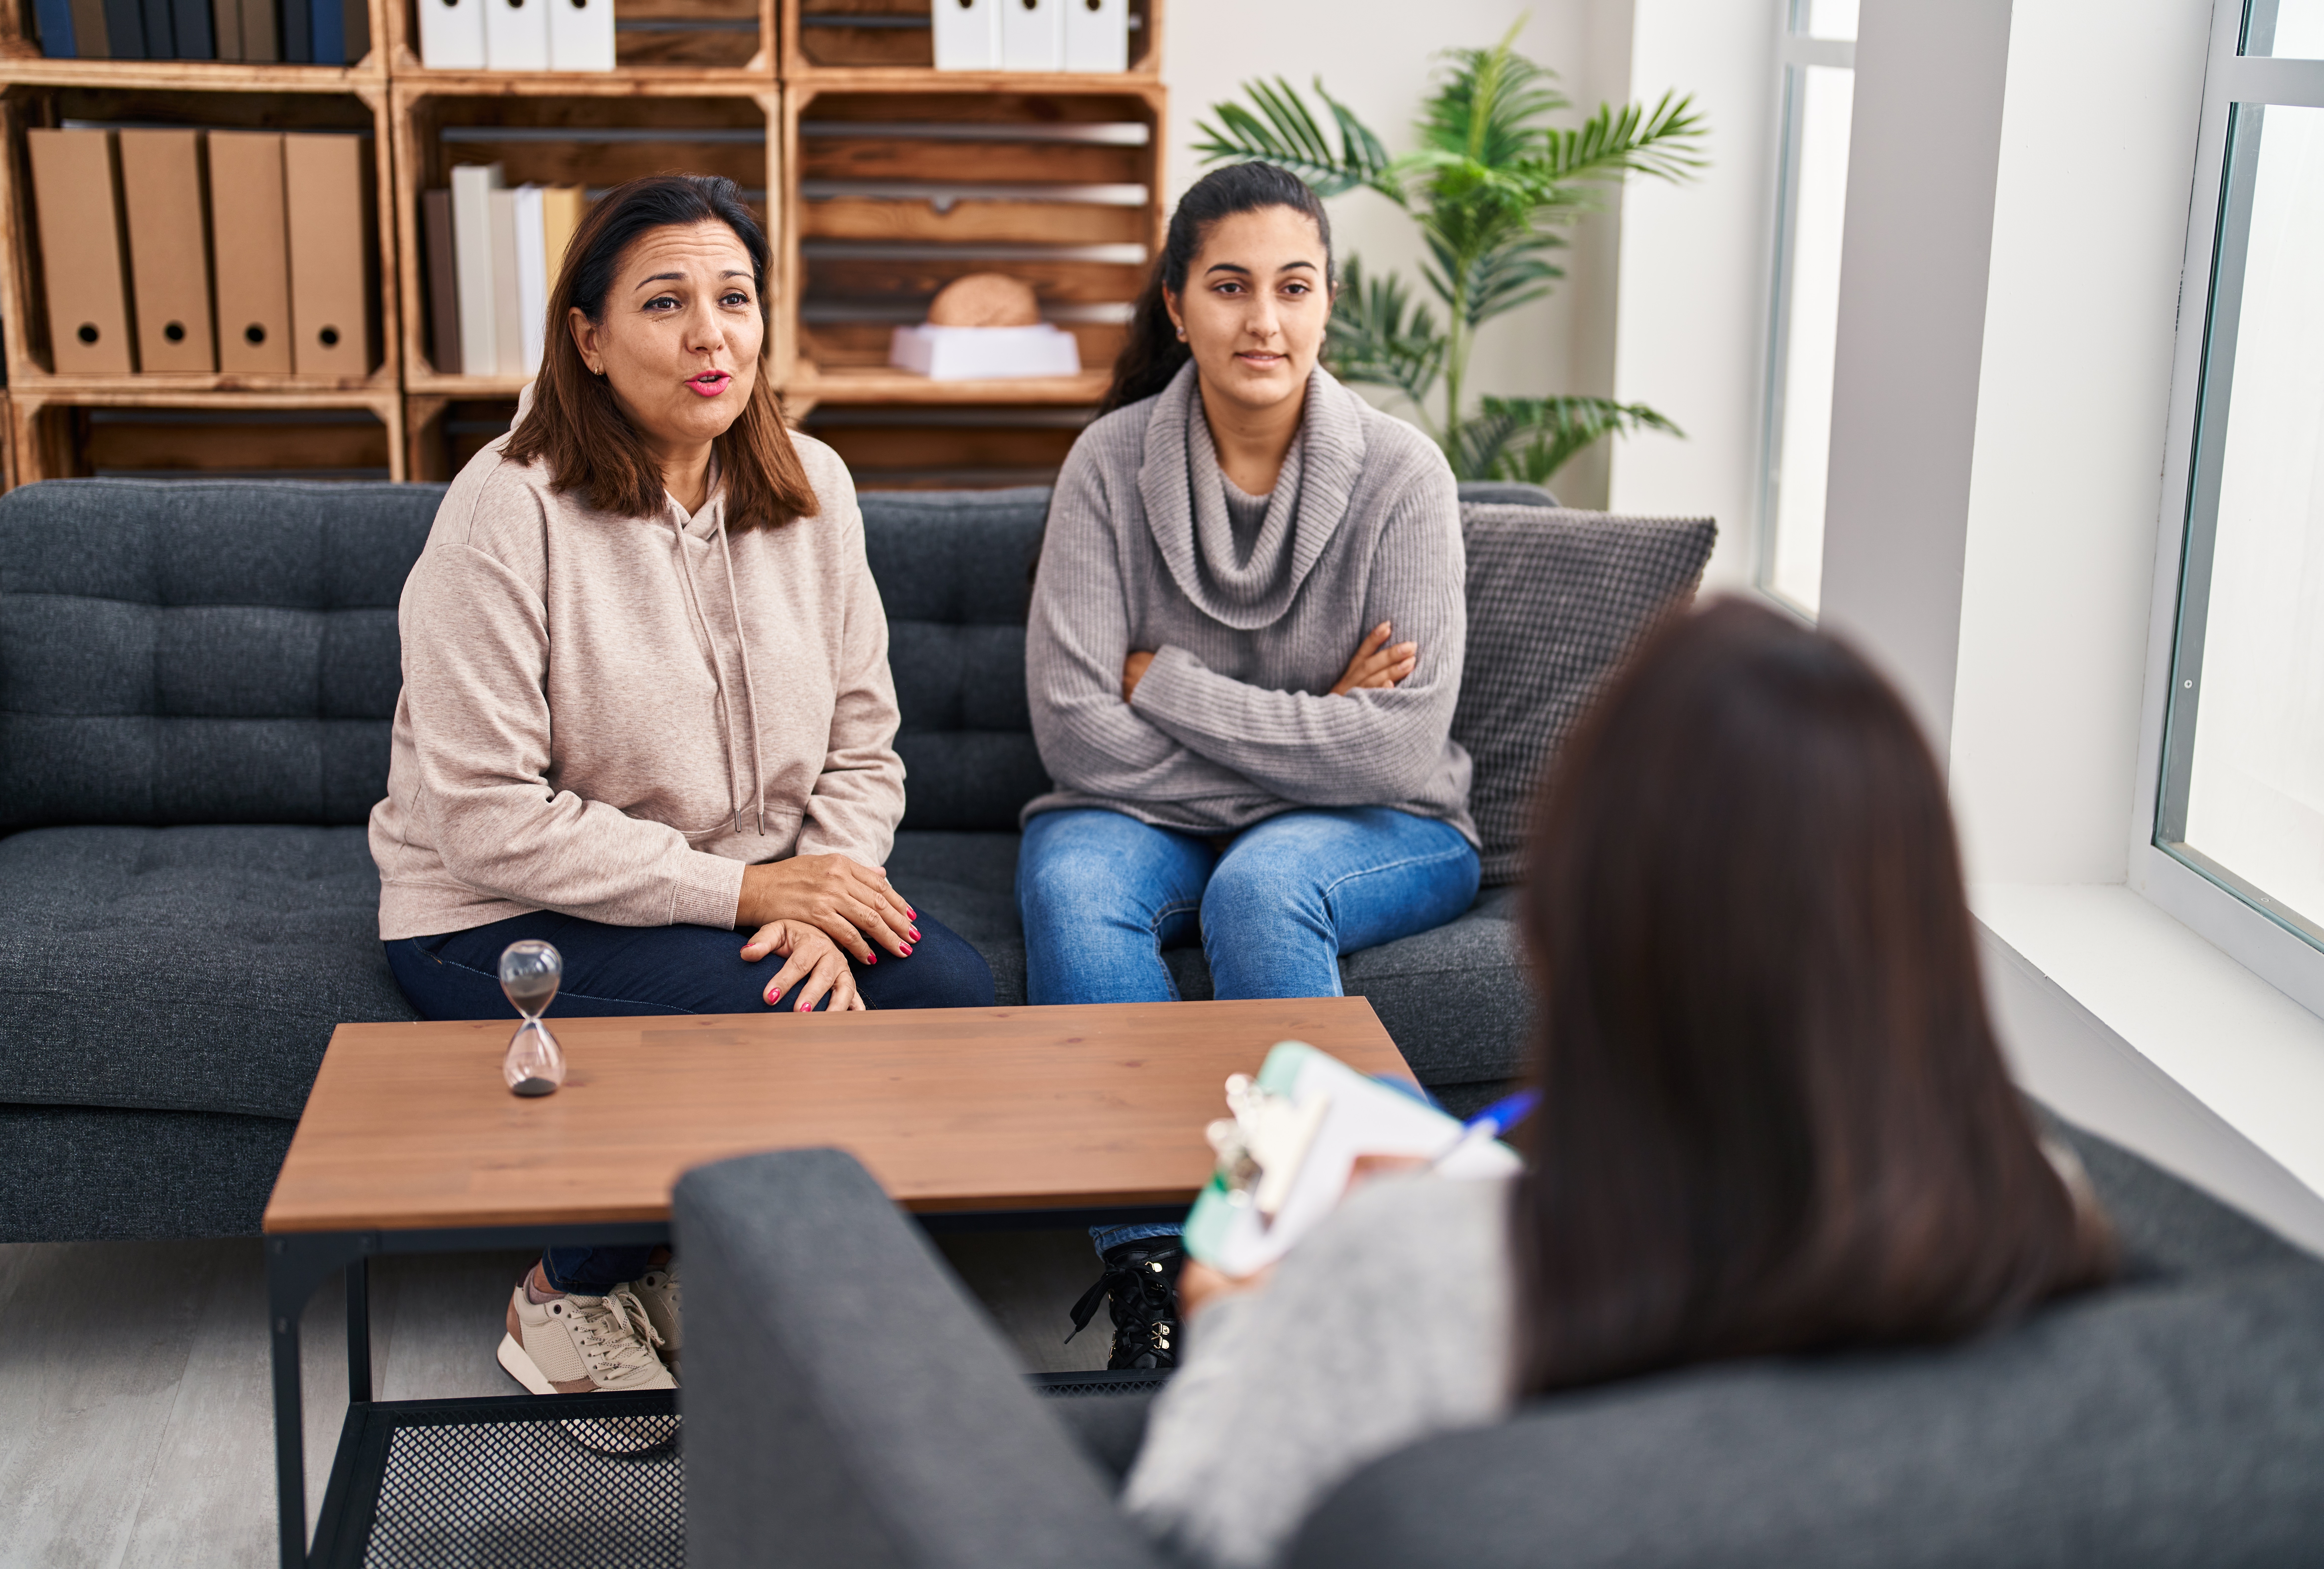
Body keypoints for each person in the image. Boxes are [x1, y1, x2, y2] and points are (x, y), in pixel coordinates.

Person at [1118, 599, 2118, 1569]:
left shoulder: (1410, 1273)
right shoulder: (2038, 1216)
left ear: (1570, 925)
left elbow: (1186, 1523)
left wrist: (1230, 1312)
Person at [369, 174, 996, 1402]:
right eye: (667, 303)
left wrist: (824, 893)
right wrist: (755, 896)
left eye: (736, 298)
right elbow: (487, 817)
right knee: (777, 1016)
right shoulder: (507, 507)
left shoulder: (814, 487)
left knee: (948, 987)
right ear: (589, 340)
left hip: (748, 890)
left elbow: (867, 748)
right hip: (495, 912)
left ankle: (685, 1254)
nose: (714, 334)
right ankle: (561, 1295)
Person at [1025, 161, 1479, 1369]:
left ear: (1330, 300)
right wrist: (1311, 729)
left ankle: (1324, 1272)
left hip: (1394, 821)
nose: (1263, 321)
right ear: (1177, 305)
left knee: (1264, 883)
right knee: (1072, 881)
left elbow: (1396, 746)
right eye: (1229, 287)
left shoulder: (1402, 476)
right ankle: (1154, 1269)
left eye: (1293, 287)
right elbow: (1076, 731)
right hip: (1181, 810)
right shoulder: (1108, 466)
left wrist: (1168, 687)